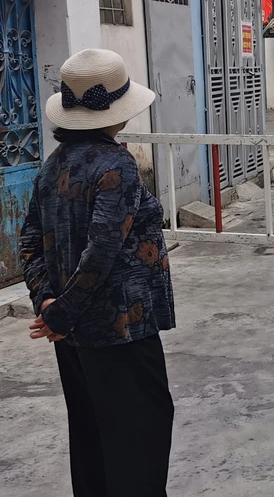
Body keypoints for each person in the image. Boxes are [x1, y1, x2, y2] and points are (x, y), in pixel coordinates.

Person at [18, 48, 176, 496]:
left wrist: (49, 303)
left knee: (92, 438)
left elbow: (28, 239)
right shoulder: (116, 165)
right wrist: (60, 312)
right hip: (121, 329)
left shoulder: (55, 163)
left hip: (72, 334)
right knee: (139, 441)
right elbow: (103, 248)